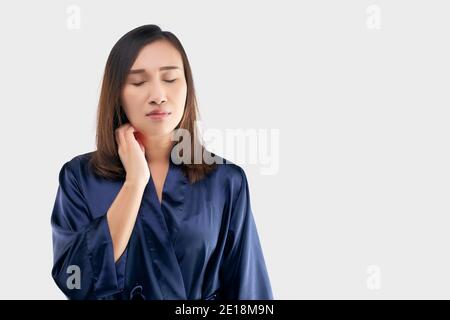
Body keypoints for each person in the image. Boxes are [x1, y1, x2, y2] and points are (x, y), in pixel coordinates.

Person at [50, 24, 273, 300]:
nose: (158, 95)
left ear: (187, 87)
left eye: (170, 79)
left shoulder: (226, 180)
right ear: (117, 93)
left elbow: (249, 294)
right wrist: (134, 183)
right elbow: (75, 280)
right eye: (139, 82)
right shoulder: (79, 177)